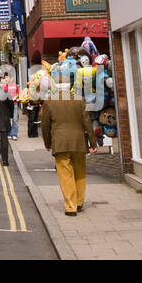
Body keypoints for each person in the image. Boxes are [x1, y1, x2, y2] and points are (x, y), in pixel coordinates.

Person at [40, 84, 98, 216]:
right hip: (79, 142)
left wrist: (47, 143)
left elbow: (45, 125)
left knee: (65, 174)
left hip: (60, 143)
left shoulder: (49, 102)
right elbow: (87, 123)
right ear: (69, 88)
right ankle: (79, 202)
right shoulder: (79, 100)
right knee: (80, 172)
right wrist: (93, 143)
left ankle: (71, 207)